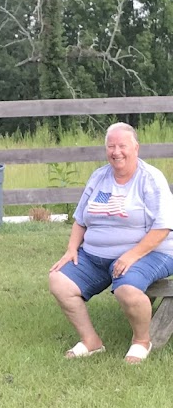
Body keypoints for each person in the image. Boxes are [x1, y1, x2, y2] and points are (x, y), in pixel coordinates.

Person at [49, 122, 173, 363]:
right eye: (111, 146)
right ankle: (91, 341)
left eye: (122, 146)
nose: (117, 152)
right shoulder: (99, 177)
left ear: (136, 147)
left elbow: (163, 227)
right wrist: (71, 248)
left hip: (151, 252)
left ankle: (141, 341)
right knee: (58, 280)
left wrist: (131, 255)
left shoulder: (150, 179)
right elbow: (80, 219)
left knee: (127, 287)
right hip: (96, 255)